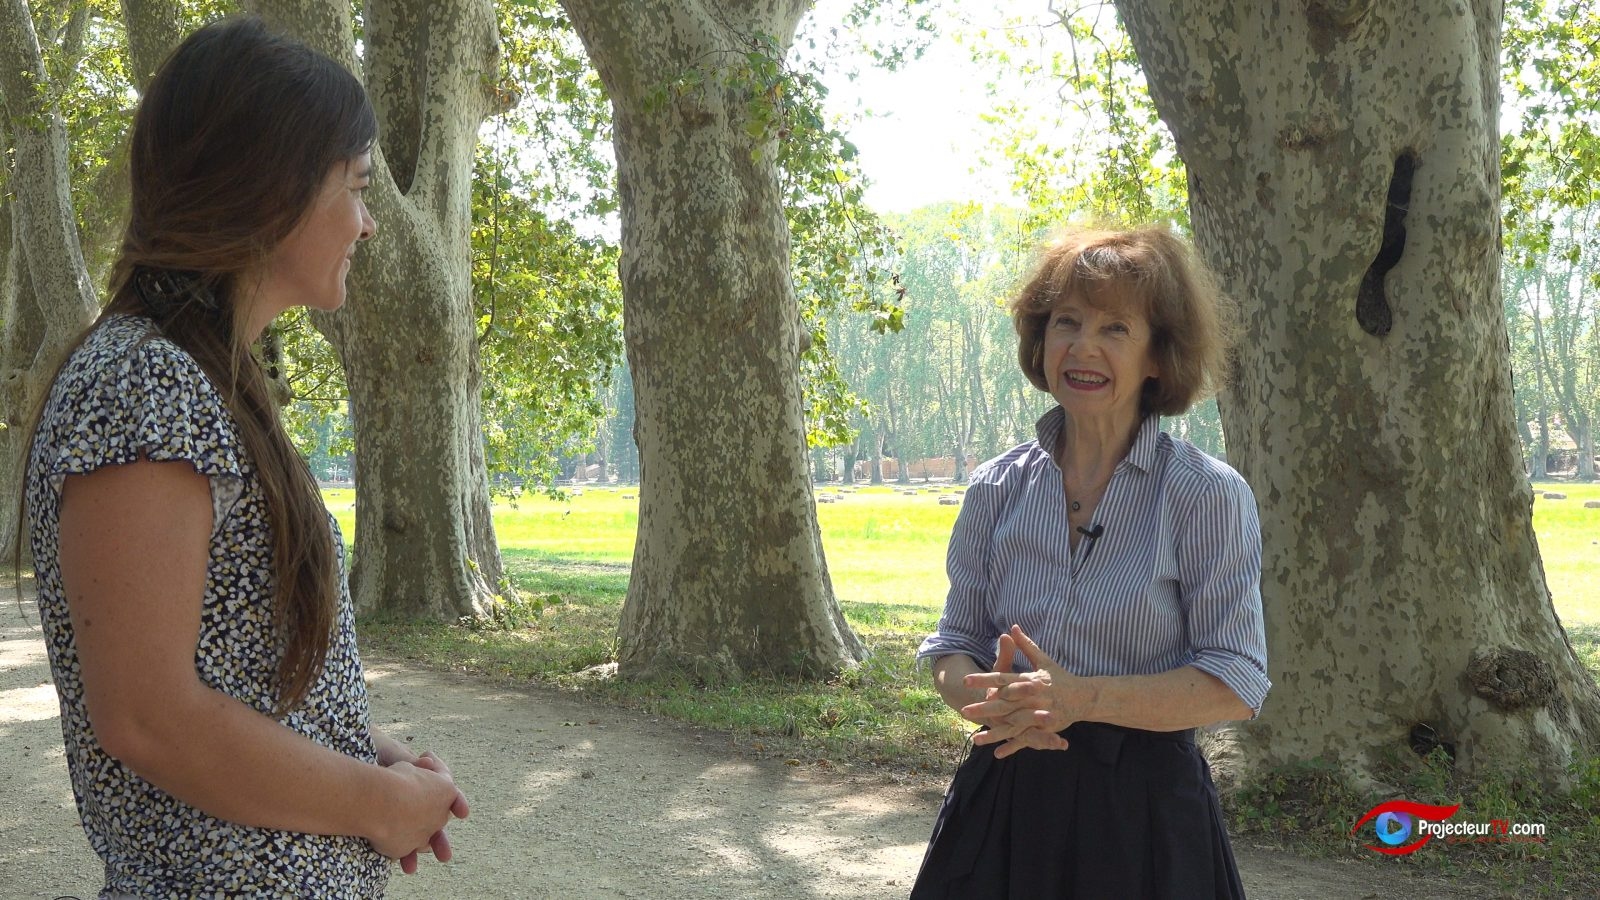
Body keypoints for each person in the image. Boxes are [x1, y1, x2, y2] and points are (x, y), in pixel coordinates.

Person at [21, 17, 466, 897]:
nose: (370, 225)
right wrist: (373, 804)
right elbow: (150, 717)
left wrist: (362, 755)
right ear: (274, 193)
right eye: (357, 188)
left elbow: (230, 675)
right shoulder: (145, 388)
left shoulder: (200, 377)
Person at [910, 225, 1270, 898]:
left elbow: (1236, 678)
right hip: (1003, 803)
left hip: (1144, 815)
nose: (1083, 346)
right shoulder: (995, 487)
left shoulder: (1207, 495)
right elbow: (954, 646)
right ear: (1040, 343)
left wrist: (1082, 699)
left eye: (1114, 329)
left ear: (1158, 357)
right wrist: (991, 699)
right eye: (1066, 323)